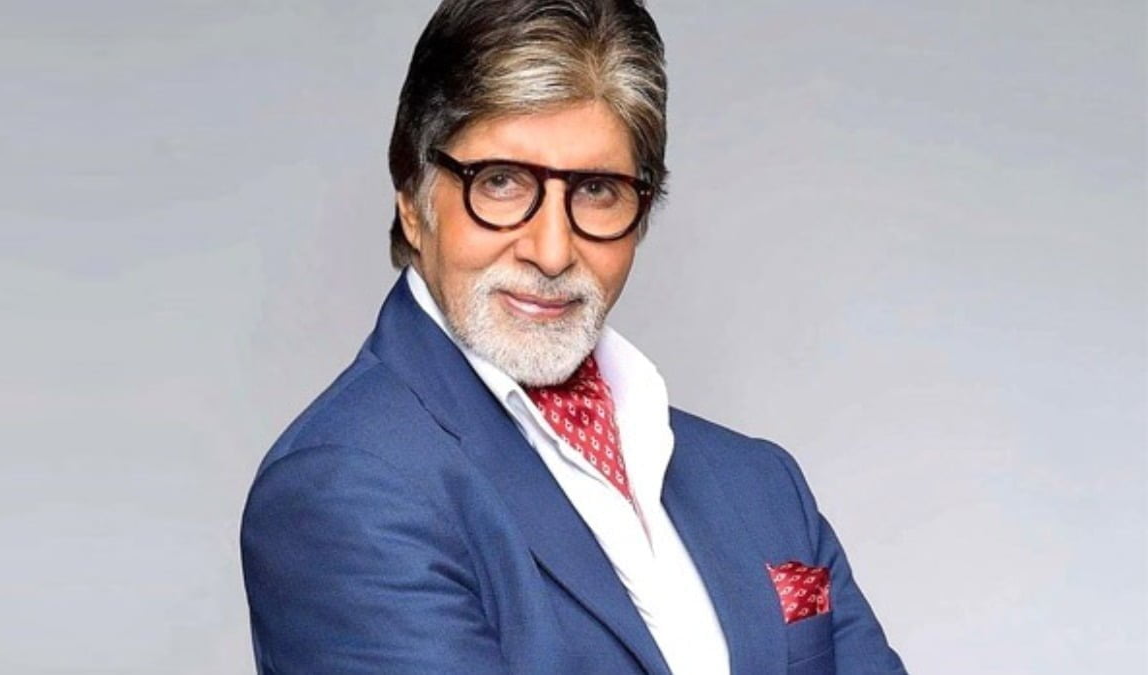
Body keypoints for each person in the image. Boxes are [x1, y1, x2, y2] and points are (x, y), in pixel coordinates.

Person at [240, 1, 907, 673]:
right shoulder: (345, 486)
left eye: (596, 189)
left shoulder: (761, 483)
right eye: (500, 182)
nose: (553, 251)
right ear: (412, 200)